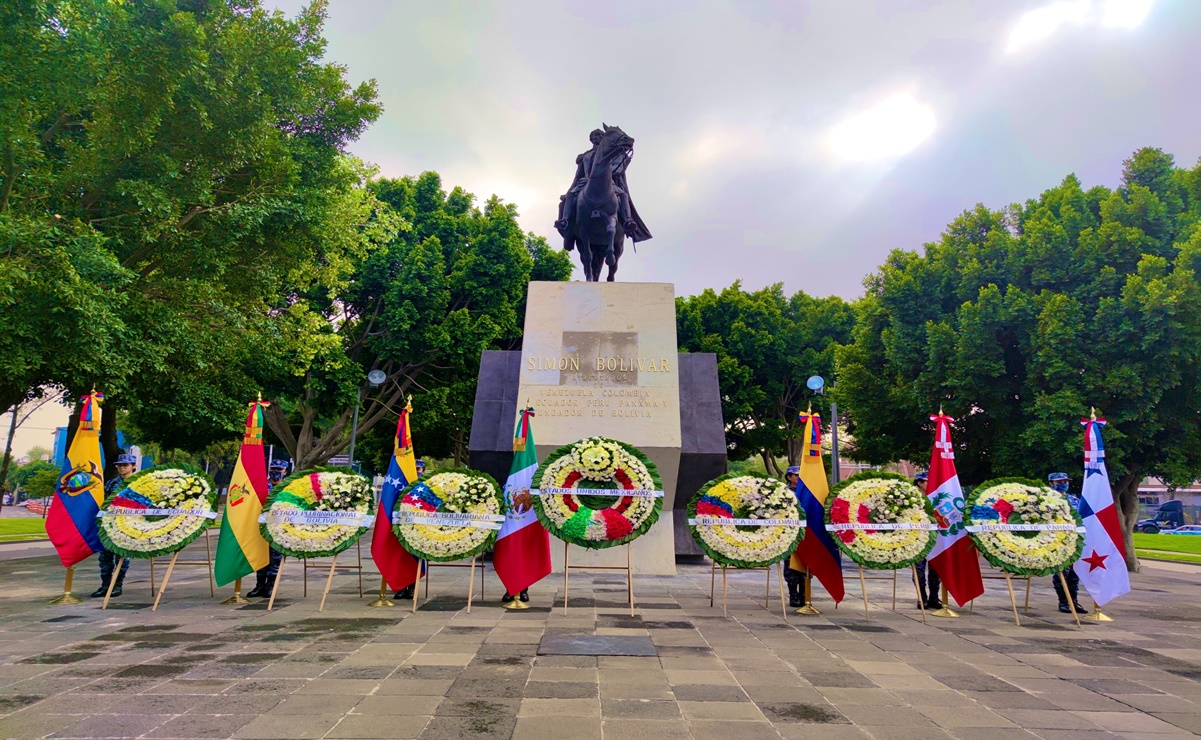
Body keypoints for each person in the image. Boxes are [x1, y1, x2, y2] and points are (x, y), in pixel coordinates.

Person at [91, 453, 137, 597]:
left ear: (133, 466)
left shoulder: (139, 484)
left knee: (122, 557)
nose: (122, 468)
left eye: (125, 465)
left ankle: (117, 585)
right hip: (110, 524)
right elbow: (103, 502)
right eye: (119, 465)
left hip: (128, 525)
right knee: (105, 556)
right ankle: (105, 585)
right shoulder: (111, 484)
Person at [246, 459, 289, 598]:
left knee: (275, 558)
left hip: (278, 528)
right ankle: (259, 585)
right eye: (273, 469)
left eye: (279, 470)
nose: (275, 472)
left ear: (285, 472)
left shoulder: (288, 487)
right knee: (260, 555)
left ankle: (270, 586)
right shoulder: (262, 486)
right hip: (261, 527)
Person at [1049, 472, 1085, 614]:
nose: (1063, 484)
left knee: (1074, 573)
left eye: (1065, 481)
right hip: (1056, 541)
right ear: (1051, 483)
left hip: (1074, 541)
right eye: (1059, 482)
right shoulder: (1045, 499)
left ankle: (1073, 601)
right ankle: (1063, 601)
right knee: (1062, 572)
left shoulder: (1074, 500)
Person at [912, 471, 943, 610]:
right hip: (917, 538)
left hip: (936, 537)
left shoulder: (938, 497)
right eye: (927, 481)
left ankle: (934, 598)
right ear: (920, 483)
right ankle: (921, 597)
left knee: (936, 568)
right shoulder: (912, 498)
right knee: (919, 569)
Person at [781, 465, 809, 608]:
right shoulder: (784, 492)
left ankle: (805, 594)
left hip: (807, 532)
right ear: (789, 477)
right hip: (790, 532)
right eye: (796, 475)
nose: (799, 478)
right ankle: (793, 594)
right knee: (790, 564)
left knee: (805, 563)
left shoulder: (809, 491)